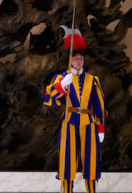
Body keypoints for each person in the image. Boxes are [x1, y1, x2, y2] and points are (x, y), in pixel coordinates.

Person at [43, 28, 106, 193]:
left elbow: (99, 106)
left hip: (89, 123)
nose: (78, 61)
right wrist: (62, 86)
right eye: (75, 58)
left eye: (81, 58)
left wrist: (101, 128)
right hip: (69, 122)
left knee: (91, 160)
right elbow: (50, 96)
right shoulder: (62, 78)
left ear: (84, 61)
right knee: (67, 159)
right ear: (70, 60)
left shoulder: (93, 80)